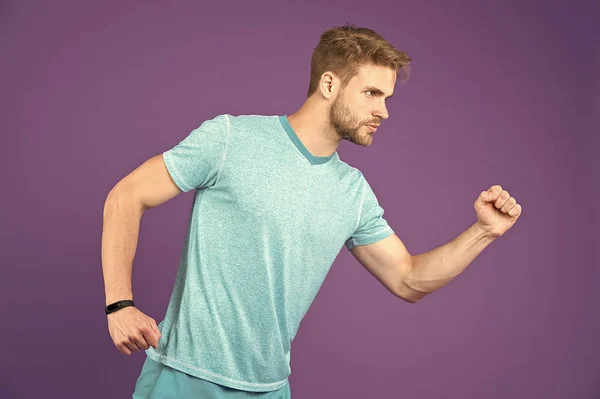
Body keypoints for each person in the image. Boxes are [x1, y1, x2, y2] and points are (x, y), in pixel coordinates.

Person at [101, 23, 522, 398]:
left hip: (271, 388)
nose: (384, 111)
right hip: (186, 379)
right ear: (328, 85)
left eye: (388, 97)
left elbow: (409, 280)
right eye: (372, 93)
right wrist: (120, 306)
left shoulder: (352, 191)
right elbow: (126, 196)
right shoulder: (231, 139)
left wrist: (484, 231)